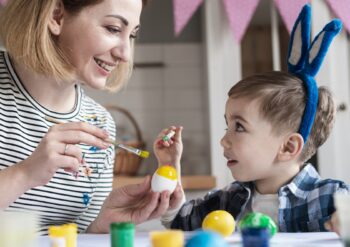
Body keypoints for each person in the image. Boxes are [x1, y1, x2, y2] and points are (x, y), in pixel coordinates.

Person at [154, 5, 350, 233]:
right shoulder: (228, 200)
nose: (223, 141)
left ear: (288, 146)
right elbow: (178, 221)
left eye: (239, 127)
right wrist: (169, 167)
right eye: (228, 125)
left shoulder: (332, 199)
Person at [0, 0, 172, 235]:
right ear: (56, 15)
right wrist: (25, 174)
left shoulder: (101, 124)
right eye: (113, 29)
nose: (125, 54)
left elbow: (77, 236)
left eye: (131, 35)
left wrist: (102, 223)